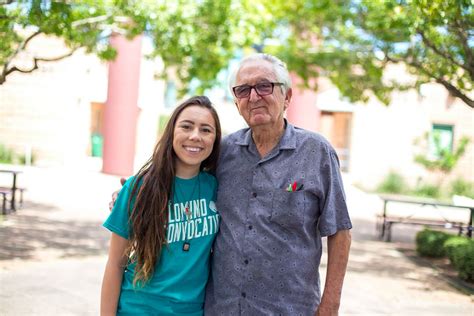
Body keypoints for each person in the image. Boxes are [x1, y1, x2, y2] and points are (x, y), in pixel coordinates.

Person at [110, 53, 352, 315]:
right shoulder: (223, 152)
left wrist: (330, 306)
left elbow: (340, 232)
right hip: (222, 308)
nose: (254, 96)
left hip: (290, 308)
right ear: (237, 103)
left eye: (264, 86)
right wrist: (132, 192)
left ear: (288, 97)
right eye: (243, 90)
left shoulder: (316, 152)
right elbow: (180, 170)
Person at [101, 95, 222, 316]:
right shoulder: (139, 187)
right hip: (137, 309)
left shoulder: (216, 187)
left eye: (206, 130)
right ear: (172, 132)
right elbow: (114, 265)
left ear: (215, 139)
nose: (195, 136)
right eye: (186, 126)